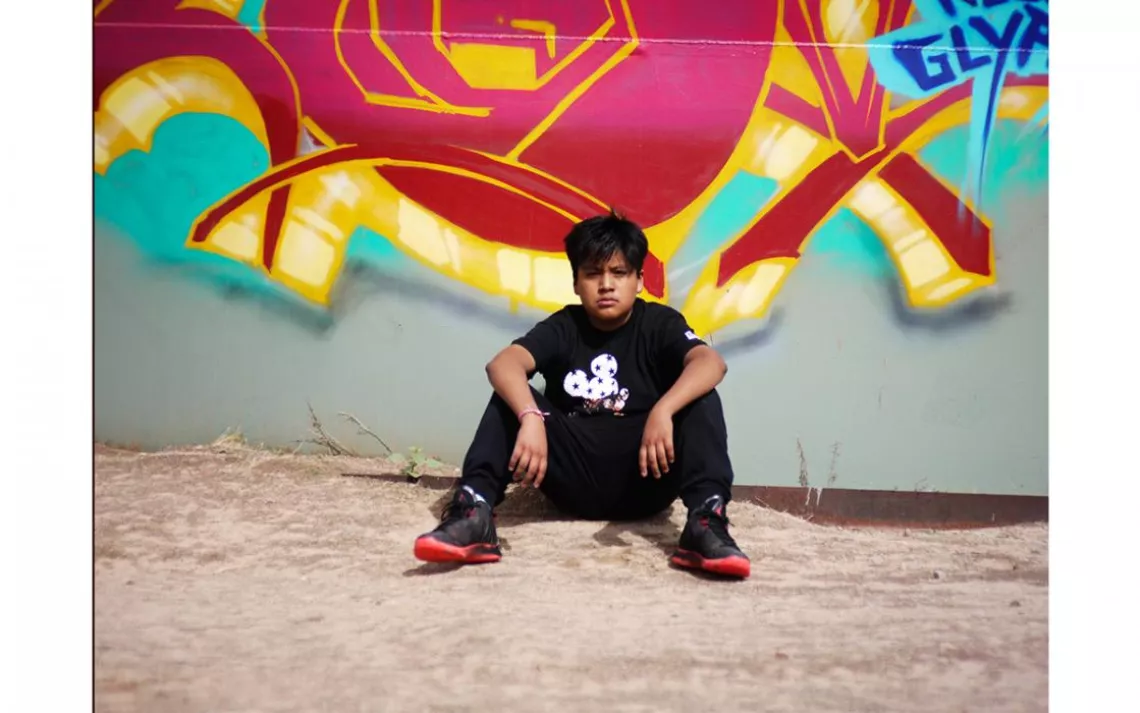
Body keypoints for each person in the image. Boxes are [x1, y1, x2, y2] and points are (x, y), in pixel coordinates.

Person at [413, 212, 750, 578]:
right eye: (592, 274)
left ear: (639, 280)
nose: (606, 285)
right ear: (576, 283)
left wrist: (663, 410)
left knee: (701, 397)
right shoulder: (564, 326)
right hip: (572, 479)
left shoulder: (659, 324)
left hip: (645, 479)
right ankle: (473, 512)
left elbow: (710, 363)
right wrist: (530, 415)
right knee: (510, 396)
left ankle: (706, 522)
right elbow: (503, 364)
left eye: (619, 273)